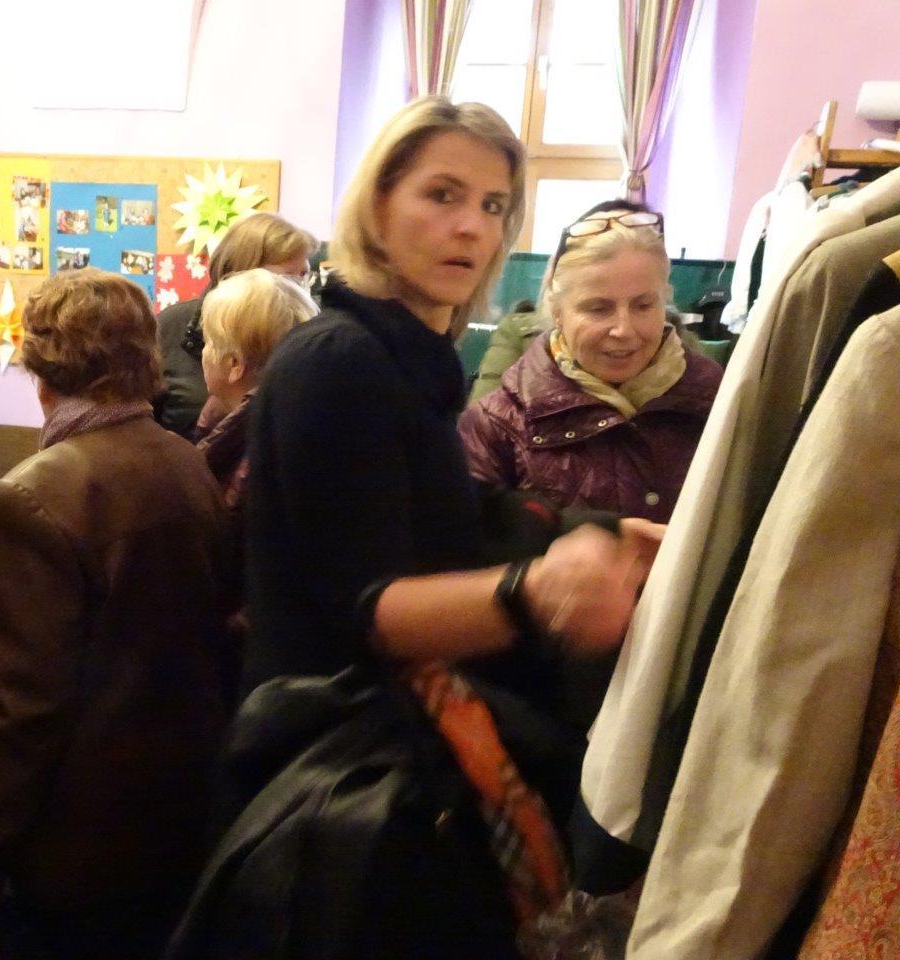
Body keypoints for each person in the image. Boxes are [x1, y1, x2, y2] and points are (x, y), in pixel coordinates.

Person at [171, 97, 663, 959]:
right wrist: (536, 592)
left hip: (385, 761)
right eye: (442, 194)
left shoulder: (410, 357)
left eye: (493, 205)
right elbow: (367, 610)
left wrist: (598, 529)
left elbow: (444, 512)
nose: (471, 226)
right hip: (338, 775)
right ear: (377, 206)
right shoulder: (339, 360)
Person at [0, 269, 231, 960]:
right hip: (182, 817)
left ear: (41, 364)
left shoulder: (32, 496)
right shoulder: (185, 461)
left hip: (75, 843)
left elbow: (19, 709)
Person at [458, 201, 723, 523]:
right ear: (558, 311)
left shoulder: (722, 403)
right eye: (598, 309)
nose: (624, 330)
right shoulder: (497, 425)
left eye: (643, 305)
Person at [195, 268, 318, 695]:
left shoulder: (257, 446)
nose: (202, 353)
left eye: (208, 342)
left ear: (233, 365)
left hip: (247, 668)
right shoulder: (244, 421)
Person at [155, 211, 318, 437]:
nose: (301, 289)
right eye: (289, 278)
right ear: (242, 273)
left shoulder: (310, 337)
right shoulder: (168, 328)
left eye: (305, 275)